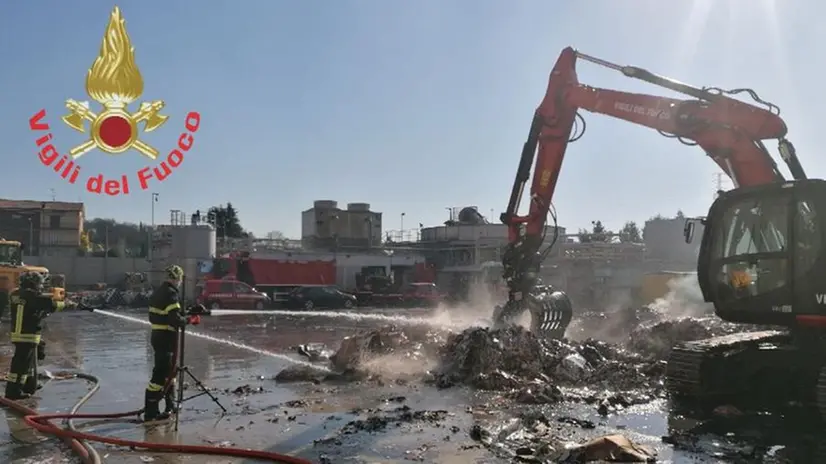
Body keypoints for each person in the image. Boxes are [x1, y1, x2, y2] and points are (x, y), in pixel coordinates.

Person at [5, 271, 78, 400]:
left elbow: (35, 305)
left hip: (20, 334)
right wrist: (67, 303)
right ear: (33, 284)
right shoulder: (32, 296)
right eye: (39, 283)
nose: (40, 286)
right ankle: (13, 391)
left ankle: (29, 385)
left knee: (30, 361)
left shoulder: (16, 294)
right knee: (21, 366)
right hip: (27, 335)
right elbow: (51, 305)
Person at [144, 264, 189, 422]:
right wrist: (189, 320)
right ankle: (151, 412)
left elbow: (166, 314)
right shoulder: (171, 294)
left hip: (158, 336)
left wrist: (187, 313)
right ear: (177, 278)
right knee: (160, 376)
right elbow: (175, 320)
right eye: (180, 279)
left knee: (170, 372)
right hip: (166, 338)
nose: (180, 282)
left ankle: (171, 405)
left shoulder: (158, 292)